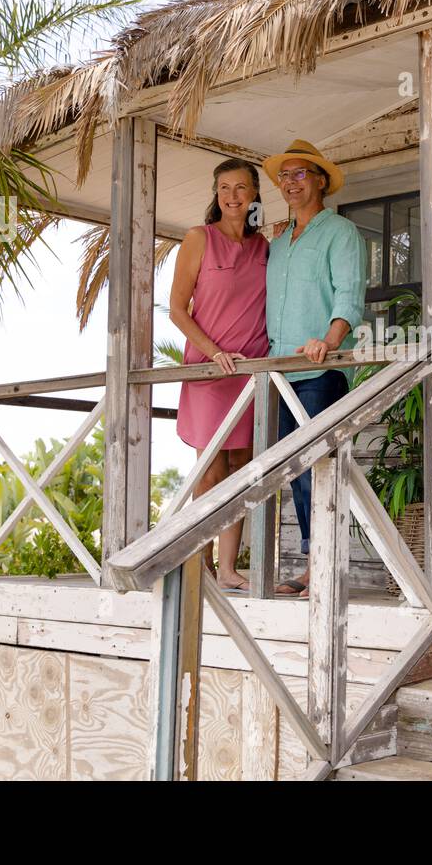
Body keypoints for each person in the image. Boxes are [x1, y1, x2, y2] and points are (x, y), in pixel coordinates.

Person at [261, 140, 367, 597]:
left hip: (321, 374)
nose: (290, 183)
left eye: (300, 174)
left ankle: (327, 569)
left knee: (322, 469)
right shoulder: (279, 243)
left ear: (321, 180)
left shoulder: (341, 233)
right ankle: (312, 566)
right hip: (281, 375)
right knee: (296, 474)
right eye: (284, 176)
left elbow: (349, 295)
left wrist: (329, 340)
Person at [170, 158, 270, 593]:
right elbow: (177, 309)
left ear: (254, 196)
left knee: (242, 468)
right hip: (210, 371)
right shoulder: (198, 239)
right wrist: (214, 353)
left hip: (251, 374)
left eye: (242, 188)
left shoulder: (264, 246)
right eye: (225, 188)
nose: (233, 196)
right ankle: (201, 561)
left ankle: (228, 569)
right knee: (209, 471)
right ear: (216, 194)